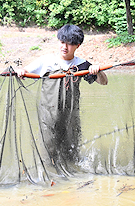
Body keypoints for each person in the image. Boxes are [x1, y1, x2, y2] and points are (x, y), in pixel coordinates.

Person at [16, 24, 108, 175]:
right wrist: (21, 71)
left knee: (71, 154)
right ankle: (51, 179)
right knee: (48, 155)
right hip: (48, 117)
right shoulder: (46, 62)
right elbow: (25, 71)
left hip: (71, 117)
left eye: (70, 43)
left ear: (77, 45)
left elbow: (103, 82)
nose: (65, 47)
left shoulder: (82, 65)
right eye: (62, 42)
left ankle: (71, 182)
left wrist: (98, 71)